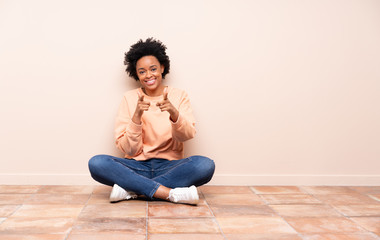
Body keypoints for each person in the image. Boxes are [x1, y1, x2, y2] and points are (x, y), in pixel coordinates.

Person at [88, 38, 215, 205]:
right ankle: (169, 193)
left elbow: (186, 135)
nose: (148, 75)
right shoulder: (130, 98)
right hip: (135, 167)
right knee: (97, 163)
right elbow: (129, 149)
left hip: (170, 167)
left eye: (153, 69)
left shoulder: (179, 95)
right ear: (136, 74)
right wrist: (136, 117)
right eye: (142, 71)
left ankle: (133, 190)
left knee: (204, 165)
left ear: (162, 67)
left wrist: (173, 113)